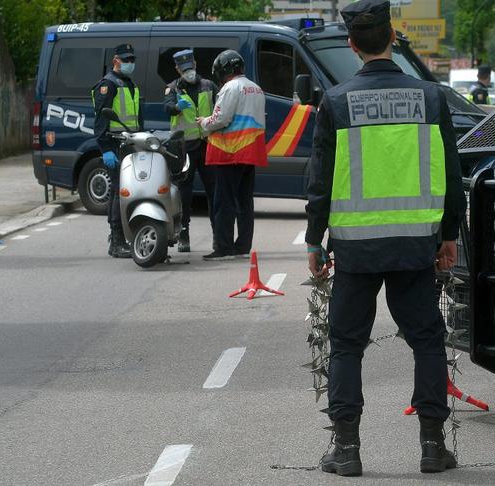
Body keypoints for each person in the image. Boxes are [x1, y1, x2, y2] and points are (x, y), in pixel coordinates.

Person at [305, 0, 467, 476]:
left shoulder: (335, 102)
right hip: (416, 246)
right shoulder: (431, 97)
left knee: (346, 344)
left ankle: (348, 451)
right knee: (427, 341)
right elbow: (451, 176)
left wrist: (315, 241)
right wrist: (450, 234)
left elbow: (320, 181)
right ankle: (433, 447)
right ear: (393, 37)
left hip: (355, 250)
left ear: (353, 46)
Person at [198, 50, 267, 261]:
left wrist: (203, 122)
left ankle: (224, 246)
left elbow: (221, 119)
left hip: (231, 151)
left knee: (224, 201)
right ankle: (243, 245)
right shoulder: (256, 89)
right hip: (251, 151)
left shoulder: (230, 88)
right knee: (244, 202)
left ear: (225, 70)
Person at [163, 49, 219, 253]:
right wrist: (177, 107)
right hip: (185, 148)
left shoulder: (209, 86)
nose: (189, 72)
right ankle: (183, 234)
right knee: (184, 195)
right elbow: (167, 108)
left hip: (207, 145)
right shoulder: (172, 89)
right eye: (184, 69)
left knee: (214, 192)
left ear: (195, 63)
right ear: (178, 69)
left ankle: (217, 235)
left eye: (191, 67)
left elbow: (220, 108)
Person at [92, 43, 144, 258]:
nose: (130, 63)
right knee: (118, 191)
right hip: (114, 145)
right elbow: (100, 119)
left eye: (132, 60)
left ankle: (125, 236)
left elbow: (136, 118)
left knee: (130, 191)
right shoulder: (108, 84)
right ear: (116, 60)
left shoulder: (130, 83)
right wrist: (105, 149)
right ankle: (116, 240)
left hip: (130, 144)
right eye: (126, 60)